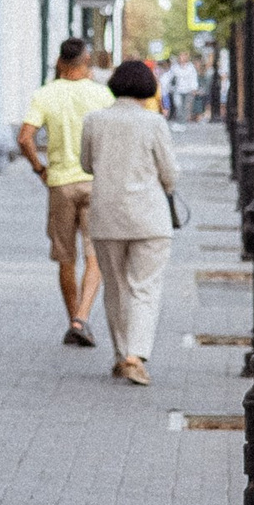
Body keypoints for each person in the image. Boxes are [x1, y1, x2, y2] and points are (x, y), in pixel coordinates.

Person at [80, 59, 182, 385]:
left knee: (116, 287)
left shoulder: (94, 121)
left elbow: (86, 165)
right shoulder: (154, 124)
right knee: (145, 288)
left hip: (106, 216)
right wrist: (165, 185)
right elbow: (170, 173)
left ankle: (121, 353)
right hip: (150, 218)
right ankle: (135, 356)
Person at [20, 36, 113, 348]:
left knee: (65, 258)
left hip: (59, 183)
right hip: (94, 182)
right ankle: (81, 318)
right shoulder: (102, 95)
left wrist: (40, 168)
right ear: (86, 63)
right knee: (94, 255)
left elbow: (24, 138)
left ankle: (74, 318)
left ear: (60, 62)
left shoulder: (46, 94)